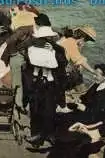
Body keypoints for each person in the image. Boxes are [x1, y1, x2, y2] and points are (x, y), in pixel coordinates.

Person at [23, 13, 67, 147]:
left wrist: (53, 52)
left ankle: (46, 135)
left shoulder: (57, 48)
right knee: (36, 109)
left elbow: (63, 63)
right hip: (36, 82)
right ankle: (36, 136)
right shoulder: (31, 44)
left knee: (48, 110)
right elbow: (27, 61)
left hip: (50, 83)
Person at [58, 26, 98, 92]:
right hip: (58, 73)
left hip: (55, 68)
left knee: (76, 71)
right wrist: (93, 71)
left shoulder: (65, 39)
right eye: (86, 40)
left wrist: (79, 47)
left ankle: (76, 90)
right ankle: (81, 93)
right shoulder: (71, 42)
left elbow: (73, 57)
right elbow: (79, 60)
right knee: (77, 75)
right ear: (82, 37)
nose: (85, 42)